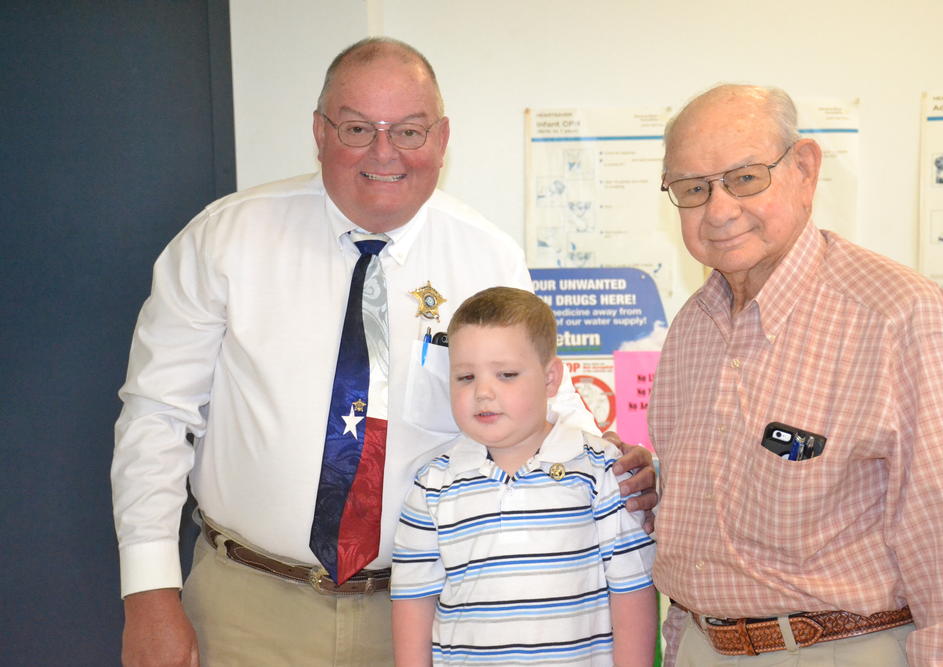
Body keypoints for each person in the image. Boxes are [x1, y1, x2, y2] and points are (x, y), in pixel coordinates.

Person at [112, 37, 656, 667]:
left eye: (409, 130)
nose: (384, 152)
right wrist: (148, 591)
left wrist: (617, 467)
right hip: (247, 606)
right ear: (319, 132)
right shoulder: (225, 238)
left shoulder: (486, 256)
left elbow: (542, 405)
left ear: (443, 138)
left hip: (434, 611)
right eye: (357, 128)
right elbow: (156, 414)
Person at [652, 83, 943, 665]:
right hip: (701, 648)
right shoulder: (691, 327)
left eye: (744, 178)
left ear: (805, 171)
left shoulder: (898, 315)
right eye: (692, 189)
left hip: (840, 648)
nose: (718, 210)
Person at [390, 287, 657, 666]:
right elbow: (413, 603)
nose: (483, 392)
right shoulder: (433, 485)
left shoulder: (602, 471)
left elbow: (632, 591)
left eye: (507, 375)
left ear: (551, 379)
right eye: (465, 377)